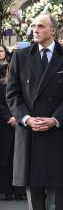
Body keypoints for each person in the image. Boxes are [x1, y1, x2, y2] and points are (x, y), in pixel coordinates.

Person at [6, 12, 63, 210]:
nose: (35, 30)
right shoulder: (20, 56)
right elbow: (12, 93)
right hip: (30, 130)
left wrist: (55, 119)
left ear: (53, 30)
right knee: (33, 186)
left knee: (55, 186)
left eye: (40, 26)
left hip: (55, 130)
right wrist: (27, 119)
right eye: (33, 26)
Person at [0, 64, 18, 200]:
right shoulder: (1, 84)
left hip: (20, 124)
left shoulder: (21, 83)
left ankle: (18, 191)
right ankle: (5, 190)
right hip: (5, 126)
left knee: (16, 158)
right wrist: (9, 117)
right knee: (5, 158)